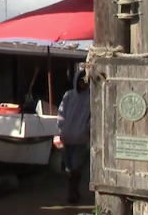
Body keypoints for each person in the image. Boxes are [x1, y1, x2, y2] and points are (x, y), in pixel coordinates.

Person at [56, 68, 91, 204]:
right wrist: (60, 129)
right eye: (81, 81)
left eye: (85, 81)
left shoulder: (90, 97)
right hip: (67, 137)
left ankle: (73, 192)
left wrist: (86, 129)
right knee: (69, 168)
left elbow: (92, 116)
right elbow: (61, 113)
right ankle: (73, 191)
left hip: (81, 139)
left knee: (77, 166)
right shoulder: (69, 95)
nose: (83, 84)